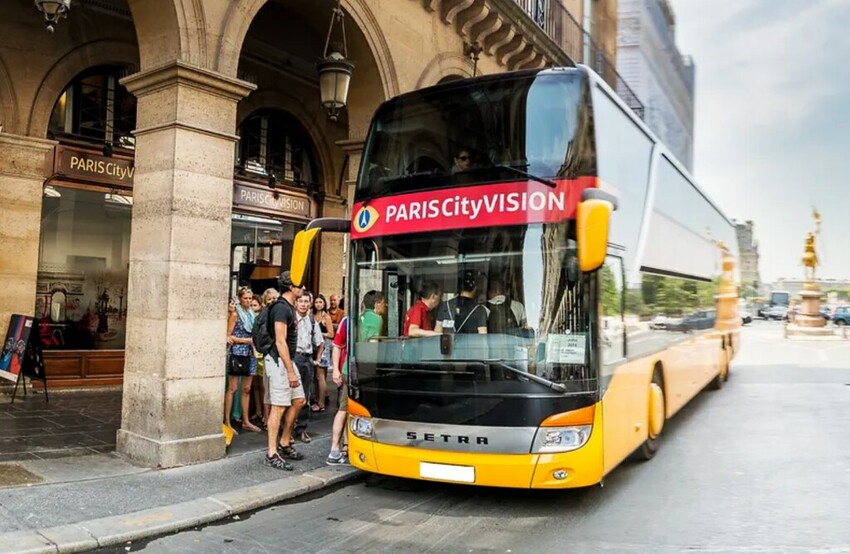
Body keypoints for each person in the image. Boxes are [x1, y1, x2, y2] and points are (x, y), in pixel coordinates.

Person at [263, 271, 307, 470]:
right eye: (300, 285)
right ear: (291, 288)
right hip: (279, 361)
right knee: (279, 406)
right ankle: (272, 453)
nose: (303, 288)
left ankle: (285, 442)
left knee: (299, 400)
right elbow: (280, 341)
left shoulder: (288, 307)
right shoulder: (281, 308)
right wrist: (290, 370)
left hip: (286, 361)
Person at [225, 287, 261, 434]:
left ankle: (246, 420)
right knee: (233, 388)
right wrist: (246, 340)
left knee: (247, 389)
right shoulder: (235, 314)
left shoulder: (251, 313)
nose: (248, 301)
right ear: (240, 298)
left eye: (250, 298)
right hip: (238, 352)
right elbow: (228, 335)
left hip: (250, 353)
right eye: (245, 298)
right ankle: (227, 421)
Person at [292, 291, 324, 444]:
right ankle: (288, 428)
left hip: (307, 359)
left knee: (305, 395)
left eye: (306, 302)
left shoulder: (312, 322)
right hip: (294, 358)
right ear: (296, 303)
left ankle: (302, 428)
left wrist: (317, 359)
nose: (303, 304)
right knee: (290, 395)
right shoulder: (291, 320)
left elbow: (320, 342)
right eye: (301, 301)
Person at [327, 315, 349, 466]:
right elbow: (337, 345)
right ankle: (334, 451)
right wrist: (336, 370)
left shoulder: (348, 320)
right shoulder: (347, 321)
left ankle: (346, 447)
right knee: (343, 409)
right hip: (348, 372)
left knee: (348, 410)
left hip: (348, 372)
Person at [311, 294, 334, 413]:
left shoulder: (327, 317)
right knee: (319, 375)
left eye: (320, 302)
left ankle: (321, 403)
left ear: (324, 304)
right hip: (314, 346)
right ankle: (320, 397)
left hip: (324, 347)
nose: (318, 304)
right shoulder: (312, 315)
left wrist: (320, 333)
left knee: (320, 375)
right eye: (316, 302)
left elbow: (331, 334)